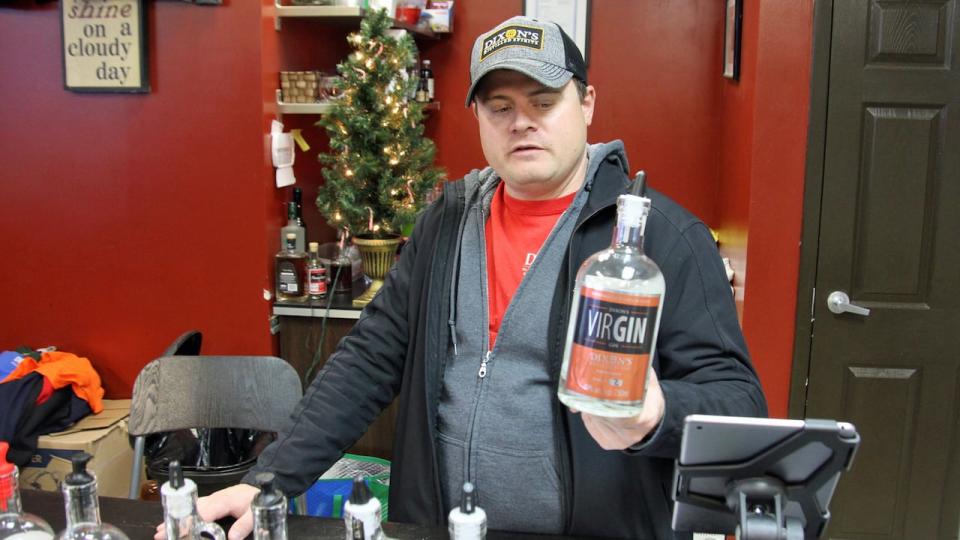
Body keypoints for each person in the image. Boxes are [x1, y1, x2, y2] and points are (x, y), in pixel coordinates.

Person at [160, 15, 766, 540]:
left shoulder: (662, 238)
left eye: (543, 101)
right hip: (439, 526)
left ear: (586, 104)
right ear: (477, 115)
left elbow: (738, 402)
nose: (521, 122)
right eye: (500, 107)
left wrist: (656, 417)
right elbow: (369, 358)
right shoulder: (446, 220)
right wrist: (269, 479)